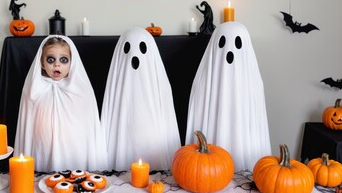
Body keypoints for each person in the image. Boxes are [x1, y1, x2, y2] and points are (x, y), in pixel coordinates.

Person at [185, 21, 271, 172]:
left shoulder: (253, 83)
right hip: (208, 168)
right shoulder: (204, 82)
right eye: (223, 43)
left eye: (237, 43)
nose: (229, 51)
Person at [14, 35, 108, 172]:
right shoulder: (34, 90)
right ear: (41, 62)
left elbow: (88, 128)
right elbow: (27, 128)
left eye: (63, 60)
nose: (56, 64)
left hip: (73, 150)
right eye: (51, 59)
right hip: (43, 148)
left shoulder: (81, 91)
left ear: (72, 62)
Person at [101, 27, 181, 171]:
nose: (134, 56)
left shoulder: (159, 84)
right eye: (128, 49)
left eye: (142, 49)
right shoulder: (116, 83)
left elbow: (167, 116)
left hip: (154, 143)